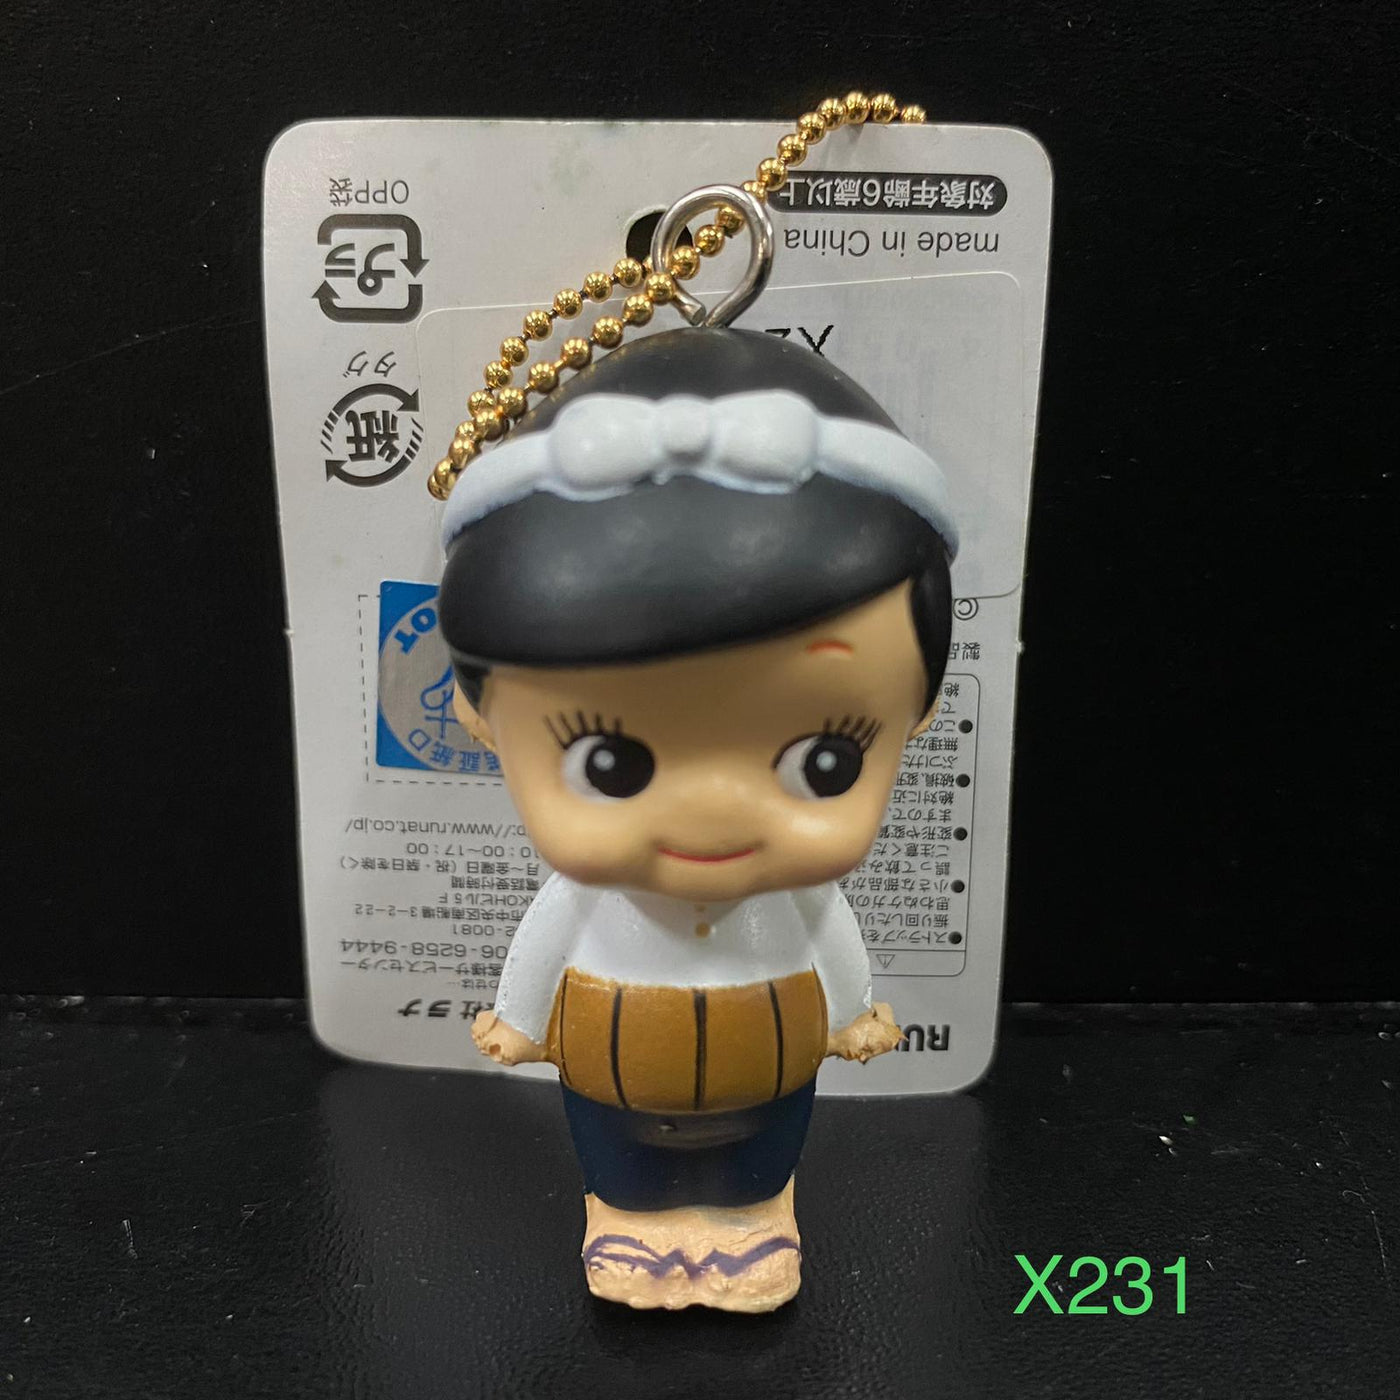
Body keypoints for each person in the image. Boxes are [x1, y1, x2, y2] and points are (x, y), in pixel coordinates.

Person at [438, 326, 957, 1311]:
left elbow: (832, 939)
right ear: (482, 717)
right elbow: (544, 938)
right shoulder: (585, 899)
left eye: (825, 759)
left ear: (916, 715)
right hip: (612, 1048)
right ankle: (626, 1219)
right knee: (616, 1145)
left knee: (764, 1143)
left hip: (771, 1045)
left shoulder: (800, 900)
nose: (714, 815)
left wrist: (850, 1015)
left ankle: (755, 1217)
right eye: (610, 763)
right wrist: (520, 1019)